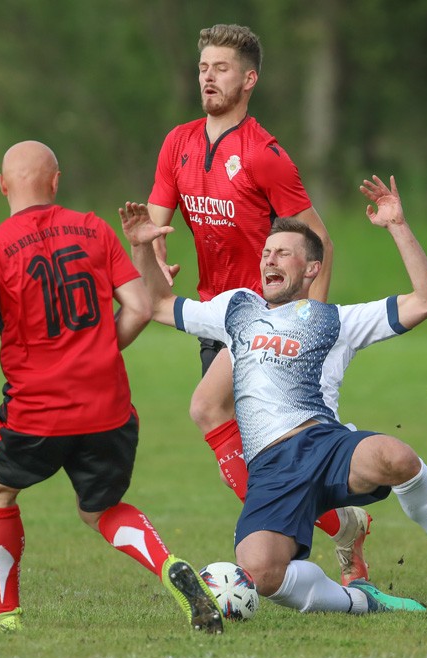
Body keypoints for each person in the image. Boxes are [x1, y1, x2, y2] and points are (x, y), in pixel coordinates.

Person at [0, 141, 223, 634]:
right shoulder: (95, 229)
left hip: (37, 411)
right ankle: (169, 565)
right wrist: (97, 350)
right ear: (56, 182)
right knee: (101, 510)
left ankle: (6, 613)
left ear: (2, 185)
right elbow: (140, 308)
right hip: (109, 408)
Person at [120, 175, 427, 614]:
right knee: (260, 572)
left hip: (326, 447)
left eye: (283, 253)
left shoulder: (335, 320)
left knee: (396, 457)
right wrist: (141, 247)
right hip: (270, 468)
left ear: (311, 269)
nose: (269, 259)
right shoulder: (237, 308)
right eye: (266, 253)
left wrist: (398, 226)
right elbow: (158, 304)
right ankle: (361, 601)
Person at [147, 23, 371, 585]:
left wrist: (310, 328)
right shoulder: (177, 144)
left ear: (249, 80)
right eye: (203, 68)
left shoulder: (265, 155)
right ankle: (340, 525)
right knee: (258, 457)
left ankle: (278, 551)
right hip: (214, 317)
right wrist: (152, 258)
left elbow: (321, 242)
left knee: (208, 408)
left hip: (263, 319)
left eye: (221, 69)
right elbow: (152, 229)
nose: (208, 78)